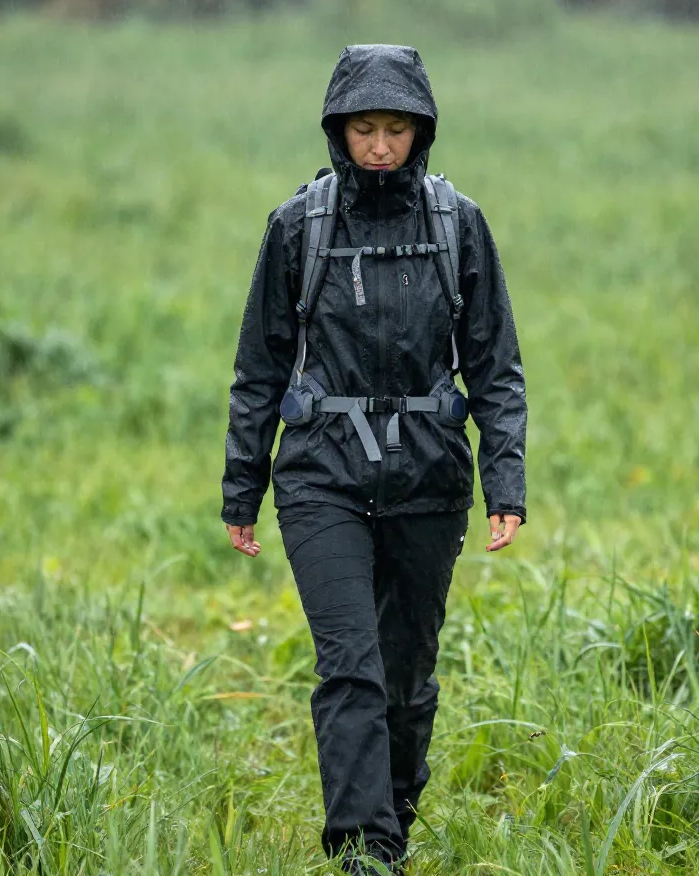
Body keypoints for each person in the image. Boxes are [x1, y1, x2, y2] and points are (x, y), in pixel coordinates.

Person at [221, 44, 527, 873]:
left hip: (430, 476)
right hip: (321, 474)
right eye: (366, 128)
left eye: (397, 129)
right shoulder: (299, 226)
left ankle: (391, 814)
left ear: (422, 132)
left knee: (405, 678)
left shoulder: (459, 223)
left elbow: (495, 364)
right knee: (349, 665)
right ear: (339, 131)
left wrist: (506, 483)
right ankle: (363, 851)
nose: (382, 146)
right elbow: (261, 365)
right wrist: (243, 488)